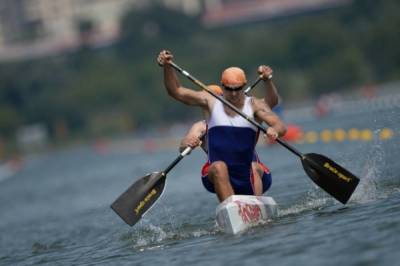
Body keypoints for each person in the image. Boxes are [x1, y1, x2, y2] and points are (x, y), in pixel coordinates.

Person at [157, 50, 287, 202]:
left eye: (237, 89)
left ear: (244, 86)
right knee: (219, 166)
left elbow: (280, 125)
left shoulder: (254, 105)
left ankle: (257, 206)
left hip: (249, 173)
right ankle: (233, 209)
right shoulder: (210, 103)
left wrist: (274, 130)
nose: (233, 94)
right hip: (218, 175)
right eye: (228, 89)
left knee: (253, 166)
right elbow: (176, 91)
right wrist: (167, 67)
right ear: (222, 87)